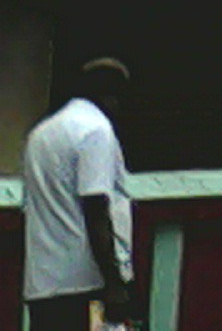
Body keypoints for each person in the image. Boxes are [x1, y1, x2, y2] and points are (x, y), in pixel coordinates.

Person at [22, 58, 138, 331]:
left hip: (43, 286)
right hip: (86, 286)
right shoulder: (96, 131)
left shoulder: (41, 134)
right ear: (111, 94)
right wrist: (114, 283)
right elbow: (96, 208)